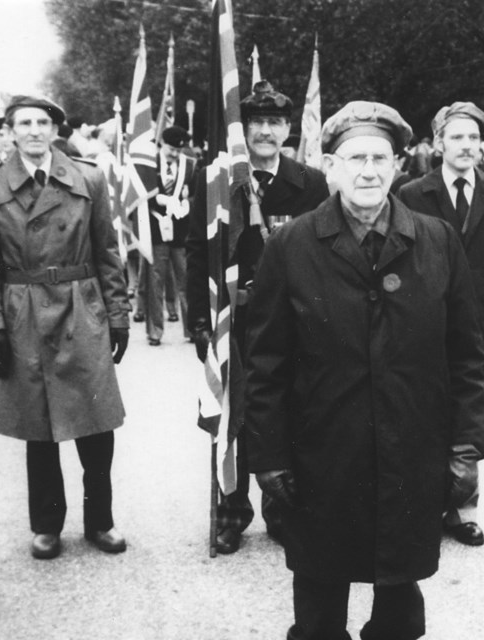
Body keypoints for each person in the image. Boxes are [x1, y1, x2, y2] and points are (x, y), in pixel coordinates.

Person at [245, 101, 484, 640]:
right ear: (329, 165)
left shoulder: (438, 241)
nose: (369, 170)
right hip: (322, 455)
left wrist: (466, 448)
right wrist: (268, 456)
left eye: (381, 157)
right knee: (318, 608)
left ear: (400, 164)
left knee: (400, 608)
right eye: (355, 157)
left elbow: (468, 357)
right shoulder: (291, 246)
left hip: (412, 451)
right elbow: (265, 365)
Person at [0, 95, 132, 560]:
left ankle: (101, 520)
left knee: (96, 424)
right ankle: (46, 525)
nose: (36, 130)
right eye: (25, 123)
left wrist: (117, 313)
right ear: (10, 130)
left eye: (44, 122)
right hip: (24, 313)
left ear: (56, 130)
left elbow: (107, 252)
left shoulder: (89, 178)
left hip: (83, 308)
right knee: (39, 427)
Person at [185, 80, 328, 554]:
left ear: (289, 128)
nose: (266, 132)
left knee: (287, 411)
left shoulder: (310, 183)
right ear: (242, 129)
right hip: (235, 319)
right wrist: (199, 324)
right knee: (231, 415)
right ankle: (230, 513)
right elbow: (197, 252)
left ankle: (282, 510)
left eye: (275, 123)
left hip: (291, 320)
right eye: (256, 123)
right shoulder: (216, 180)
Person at [397, 101, 484, 546]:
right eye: (457, 137)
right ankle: (424, 503)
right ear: (439, 144)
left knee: (473, 413)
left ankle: (464, 508)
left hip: (483, 329)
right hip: (429, 324)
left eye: (474, 138)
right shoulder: (413, 194)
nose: (467, 145)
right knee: (426, 410)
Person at [144, 125, 197, 345]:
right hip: (156, 228)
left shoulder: (189, 166)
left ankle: (192, 328)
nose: (175, 154)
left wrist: (186, 204)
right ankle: (155, 332)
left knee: (185, 279)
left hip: (180, 231)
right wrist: (158, 201)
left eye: (178, 151)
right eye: (171, 149)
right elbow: (140, 196)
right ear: (161, 144)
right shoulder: (148, 164)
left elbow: (194, 194)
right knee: (155, 280)